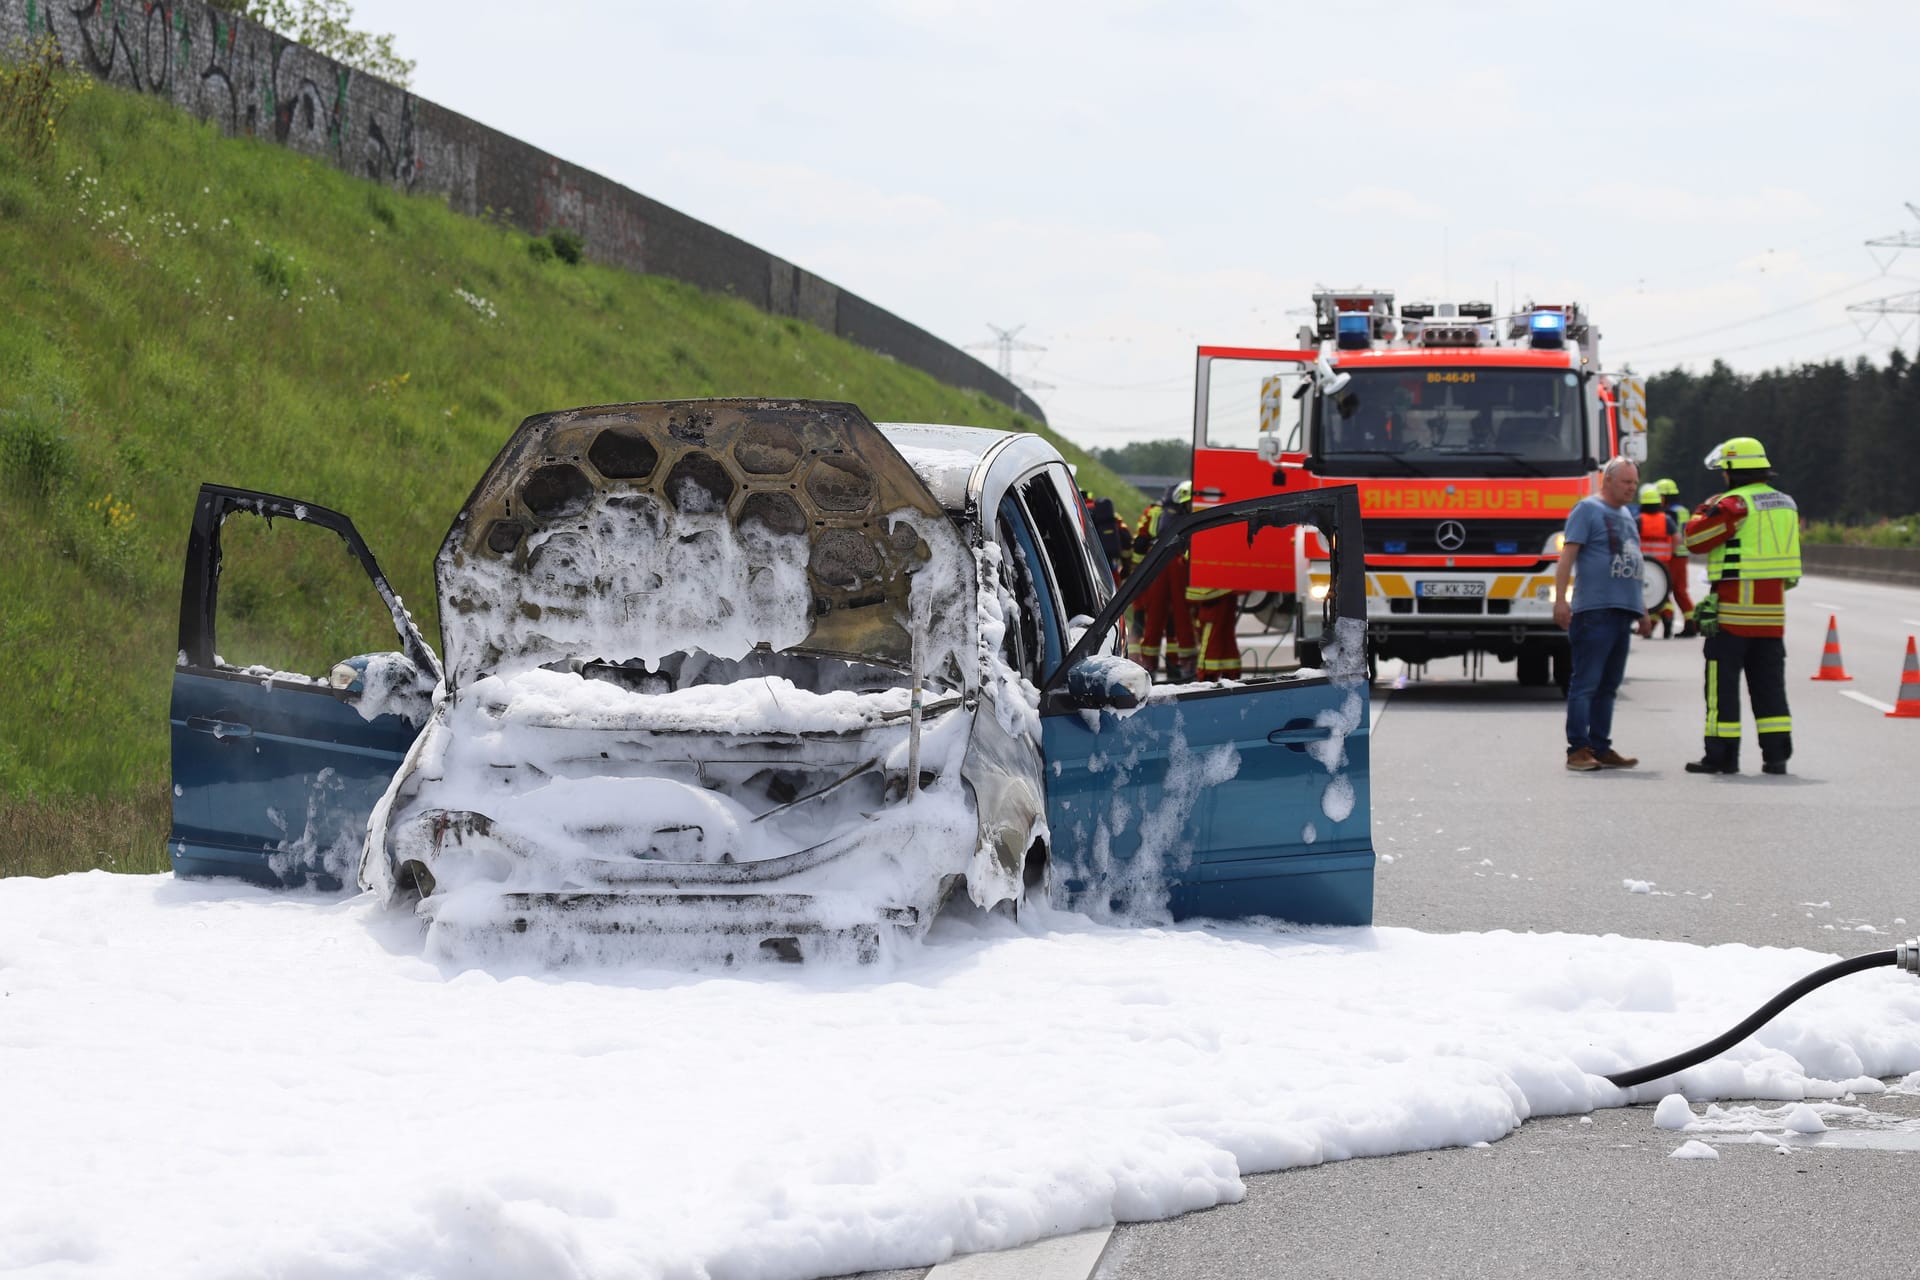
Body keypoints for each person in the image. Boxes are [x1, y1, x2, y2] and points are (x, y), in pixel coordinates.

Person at [1681, 436, 1801, 776]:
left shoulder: (1735, 504)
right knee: (1770, 690)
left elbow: (1695, 538)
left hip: (1733, 615)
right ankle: (1776, 757)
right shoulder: (1786, 503)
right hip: (1772, 617)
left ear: (1733, 471)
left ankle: (1722, 757)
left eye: (1723, 471)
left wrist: (1705, 508)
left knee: (1722, 691)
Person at [1552, 456, 1655, 771]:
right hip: (1594, 612)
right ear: (1606, 480)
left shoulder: (1626, 514)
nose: (1631, 488)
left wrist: (1643, 610)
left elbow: (1635, 564)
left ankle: (1600, 745)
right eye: (1626, 482)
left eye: (1635, 482)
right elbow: (1567, 557)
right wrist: (1560, 600)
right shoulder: (1587, 510)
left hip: (1622, 612)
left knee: (1609, 685)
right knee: (1586, 683)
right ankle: (1578, 749)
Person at [1127, 481, 1197, 680]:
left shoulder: (1155, 513)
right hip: (1171, 564)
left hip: (1161, 563)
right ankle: (1169, 665)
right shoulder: (1171, 515)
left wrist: (1139, 575)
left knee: (1170, 616)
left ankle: (1166, 664)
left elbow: (1140, 542)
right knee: (1167, 615)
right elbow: (1140, 542)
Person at [1637, 483, 1680, 637]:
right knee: (1663, 595)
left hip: (1644, 565)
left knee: (1646, 596)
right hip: (1663, 564)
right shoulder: (1666, 520)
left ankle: (1648, 624)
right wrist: (1670, 552)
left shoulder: (1639, 520)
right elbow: (1677, 539)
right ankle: (1667, 619)